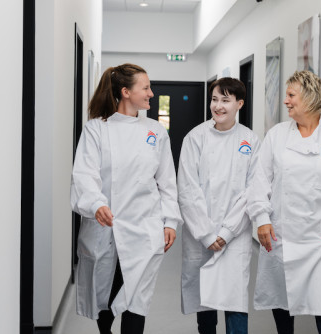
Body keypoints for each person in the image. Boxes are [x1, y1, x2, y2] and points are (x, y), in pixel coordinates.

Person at [248, 71, 321, 334]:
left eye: (291, 95)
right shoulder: (277, 136)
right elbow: (259, 183)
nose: (286, 101)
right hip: (282, 234)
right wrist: (262, 219)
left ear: (310, 98)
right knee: (281, 296)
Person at [70, 63, 182, 334]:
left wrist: (170, 221)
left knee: (136, 302)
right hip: (105, 228)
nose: (151, 94)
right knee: (105, 300)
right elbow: (84, 174)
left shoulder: (156, 131)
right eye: (145, 88)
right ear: (125, 92)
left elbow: (167, 182)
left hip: (144, 229)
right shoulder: (97, 129)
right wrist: (97, 204)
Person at [178, 77, 260, 334]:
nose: (218, 106)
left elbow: (252, 192)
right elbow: (187, 190)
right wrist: (206, 234)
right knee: (206, 303)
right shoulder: (195, 138)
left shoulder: (251, 141)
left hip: (235, 236)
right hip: (200, 233)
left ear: (239, 104)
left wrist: (225, 234)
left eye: (225, 100)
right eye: (214, 99)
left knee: (234, 299)